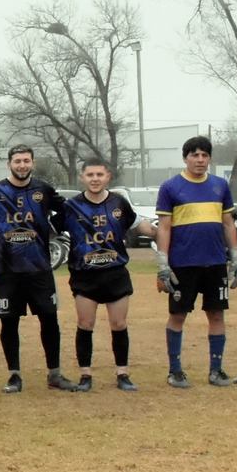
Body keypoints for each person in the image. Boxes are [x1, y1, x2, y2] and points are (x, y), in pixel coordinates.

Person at [0, 145, 78, 393]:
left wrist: (55, 227)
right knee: (9, 323)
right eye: (17, 161)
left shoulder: (43, 189)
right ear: (9, 164)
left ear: (33, 163)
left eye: (26, 160)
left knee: (49, 320)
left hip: (39, 269)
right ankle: (14, 376)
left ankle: (54, 374)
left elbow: (67, 210)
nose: (22, 165)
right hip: (6, 270)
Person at [155, 135, 237, 388]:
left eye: (205, 155)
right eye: (195, 155)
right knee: (178, 315)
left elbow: (228, 223)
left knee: (216, 315)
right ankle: (175, 371)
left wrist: (235, 256)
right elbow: (165, 227)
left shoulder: (219, 186)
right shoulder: (170, 187)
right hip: (183, 264)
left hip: (215, 262)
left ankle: (216, 370)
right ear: (185, 158)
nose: (200, 160)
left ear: (210, 158)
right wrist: (163, 264)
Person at [59, 158, 139, 391]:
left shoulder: (119, 203)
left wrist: (162, 233)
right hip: (85, 275)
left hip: (115, 274)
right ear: (82, 177)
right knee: (85, 323)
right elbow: (52, 227)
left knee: (119, 323)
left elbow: (135, 225)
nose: (95, 179)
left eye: (99, 175)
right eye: (90, 175)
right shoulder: (71, 206)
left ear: (108, 177)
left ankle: (122, 373)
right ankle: (85, 375)